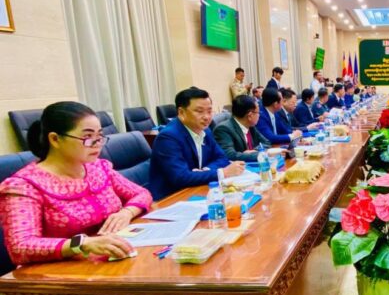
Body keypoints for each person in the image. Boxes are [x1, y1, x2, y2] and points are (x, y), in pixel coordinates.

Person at [0, 102, 151, 264]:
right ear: (55, 139)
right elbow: (20, 247)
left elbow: (141, 193)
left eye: (99, 136)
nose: (97, 144)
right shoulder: (23, 186)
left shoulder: (98, 167)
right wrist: (82, 244)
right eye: (87, 137)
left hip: (109, 257)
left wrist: (126, 213)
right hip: (60, 270)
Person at [149, 87, 245, 199]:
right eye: (199, 111)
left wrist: (204, 171)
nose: (207, 117)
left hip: (196, 189)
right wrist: (223, 173)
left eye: (209, 111)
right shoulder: (168, 137)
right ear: (181, 113)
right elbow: (180, 177)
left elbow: (222, 158)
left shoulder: (205, 131)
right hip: (170, 198)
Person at [213, 95, 271, 162]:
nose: (259, 115)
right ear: (250, 116)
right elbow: (229, 155)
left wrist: (255, 150)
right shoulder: (223, 129)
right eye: (258, 112)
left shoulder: (250, 125)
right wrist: (260, 154)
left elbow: (266, 142)